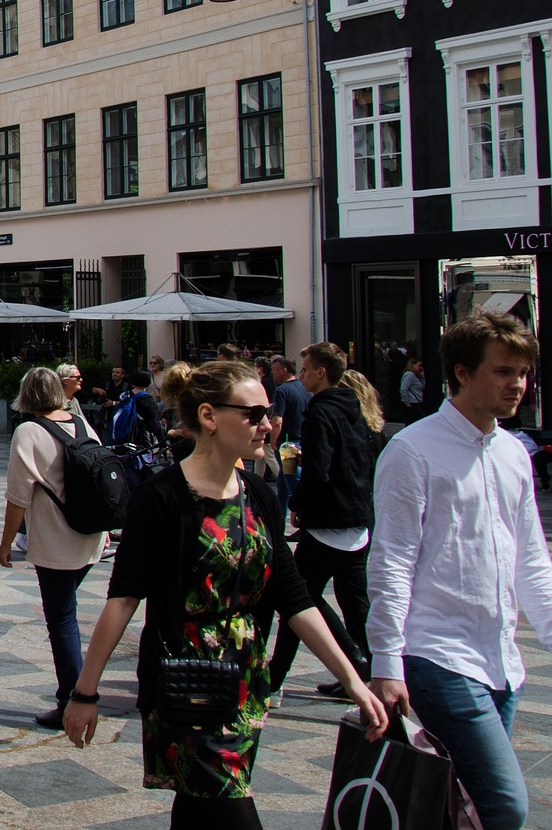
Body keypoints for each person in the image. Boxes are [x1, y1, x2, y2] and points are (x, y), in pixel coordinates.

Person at [63, 360, 388, 829]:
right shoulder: (161, 497)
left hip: (244, 684)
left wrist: (354, 680)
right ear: (210, 417)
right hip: (186, 686)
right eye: (253, 414)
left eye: (269, 412)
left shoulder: (259, 493)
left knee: (200, 812)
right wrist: (85, 692)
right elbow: (124, 598)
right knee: (229, 809)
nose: (268, 424)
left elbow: (294, 597)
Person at [367, 312, 552, 830]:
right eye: (504, 371)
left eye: (523, 372)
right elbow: (392, 560)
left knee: (460, 804)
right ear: (464, 372)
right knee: (504, 806)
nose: (518, 384)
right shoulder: (413, 450)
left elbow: (530, 559)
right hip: (438, 654)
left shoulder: (514, 451)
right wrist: (386, 661)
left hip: (501, 660)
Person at [0, 367, 107, 728]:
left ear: (26, 395)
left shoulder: (28, 431)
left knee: (62, 619)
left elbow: (17, 497)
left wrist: (6, 543)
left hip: (57, 539)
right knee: (66, 611)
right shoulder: (80, 424)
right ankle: (75, 694)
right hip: (91, 535)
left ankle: (72, 700)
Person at [266, 343, 376, 703]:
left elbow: (319, 470)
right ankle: (363, 673)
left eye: (307, 368)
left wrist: (297, 503)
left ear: (322, 372)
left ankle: (351, 666)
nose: (303, 374)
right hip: (356, 518)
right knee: (355, 604)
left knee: (300, 601)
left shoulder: (321, 414)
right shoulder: (355, 411)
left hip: (329, 521)